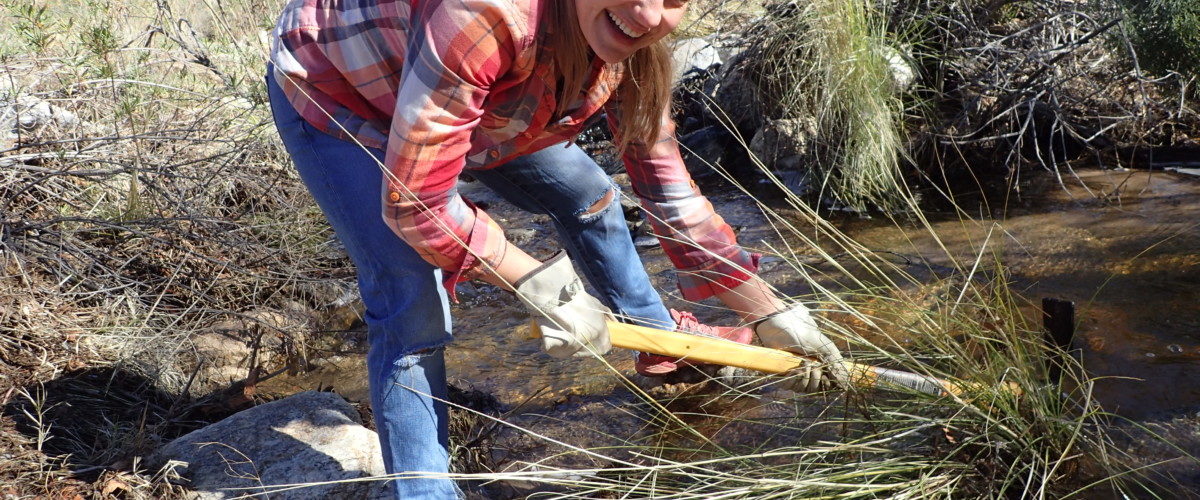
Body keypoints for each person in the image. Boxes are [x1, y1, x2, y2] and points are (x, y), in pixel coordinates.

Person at [266, 0, 848, 497]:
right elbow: (416, 201)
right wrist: (542, 286)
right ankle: (424, 487)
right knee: (411, 302)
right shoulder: (487, 13)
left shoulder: (633, 43)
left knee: (591, 195)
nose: (648, 14)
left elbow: (670, 197)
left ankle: (661, 344)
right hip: (343, 87)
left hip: (481, 98)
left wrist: (769, 311)